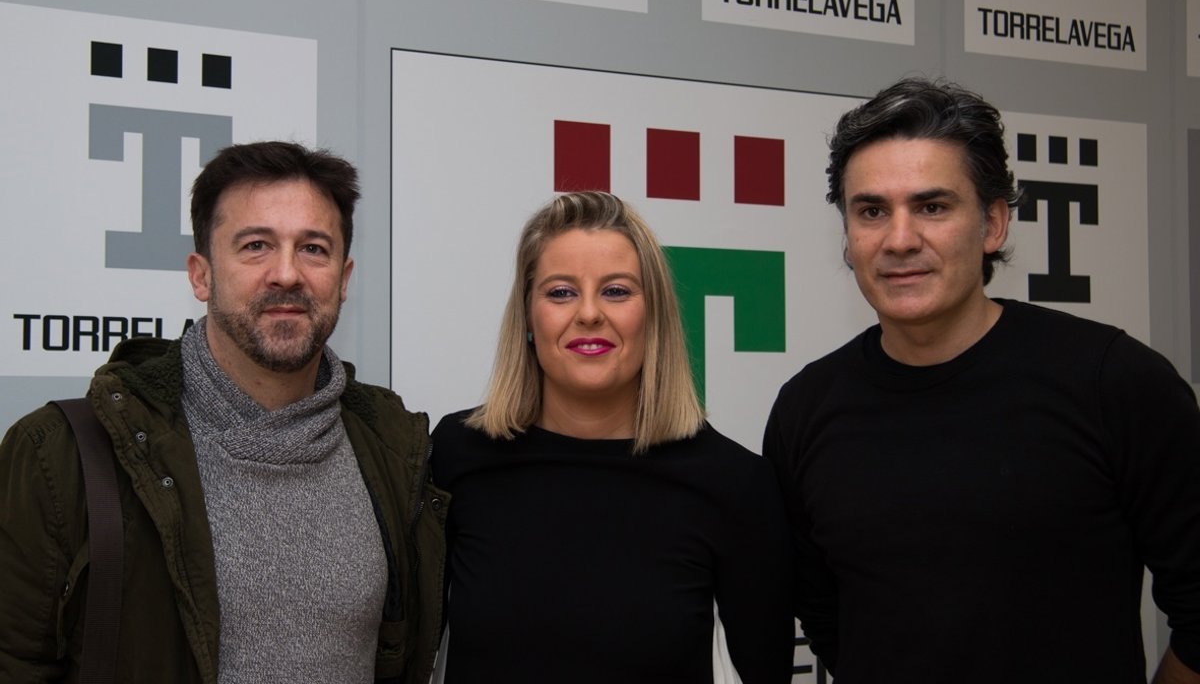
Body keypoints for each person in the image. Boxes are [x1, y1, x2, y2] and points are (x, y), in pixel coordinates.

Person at [763, 77, 1200, 683]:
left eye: (932, 207)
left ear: (993, 224)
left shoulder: (1114, 381)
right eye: (872, 211)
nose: (899, 240)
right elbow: (825, 618)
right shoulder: (806, 409)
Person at [0, 141, 448, 683]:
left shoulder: (395, 453)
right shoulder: (61, 455)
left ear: (344, 278)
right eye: (256, 245)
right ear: (201, 275)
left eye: (313, 248)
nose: (287, 274)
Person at [431, 191, 794, 683]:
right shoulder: (455, 455)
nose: (588, 314)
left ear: (654, 315)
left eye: (617, 291)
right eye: (561, 292)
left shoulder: (735, 484)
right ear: (529, 318)